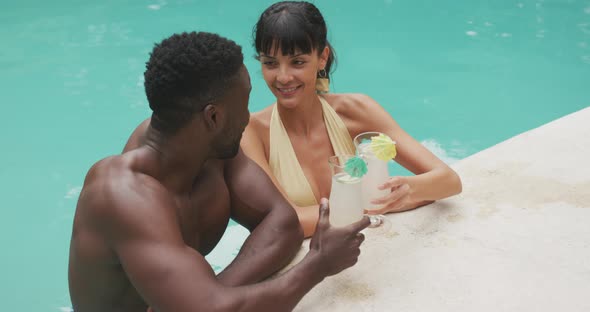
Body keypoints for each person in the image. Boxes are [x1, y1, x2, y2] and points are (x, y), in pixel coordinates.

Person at [68, 31, 370, 312]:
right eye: (245, 102)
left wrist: (211, 292)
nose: (248, 116)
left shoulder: (207, 147)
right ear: (213, 116)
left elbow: (282, 222)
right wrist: (316, 265)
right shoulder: (122, 195)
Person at [241, 1, 462, 237]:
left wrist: (404, 191)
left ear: (322, 57)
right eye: (270, 63)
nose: (283, 77)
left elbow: (448, 181)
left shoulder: (356, 110)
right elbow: (286, 222)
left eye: (297, 62)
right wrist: (369, 205)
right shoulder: (253, 132)